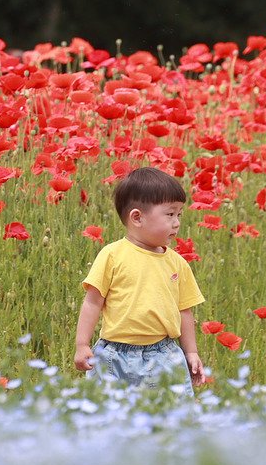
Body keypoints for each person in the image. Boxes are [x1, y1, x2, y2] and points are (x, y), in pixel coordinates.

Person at [74, 166, 205, 390]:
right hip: (115, 356)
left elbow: (184, 311)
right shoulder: (112, 255)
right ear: (137, 217)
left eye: (179, 214)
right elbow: (93, 301)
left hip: (164, 354)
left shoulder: (178, 264)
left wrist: (191, 352)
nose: (177, 222)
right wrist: (82, 344)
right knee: (109, 415)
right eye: (170, 214)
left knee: (168, 415)